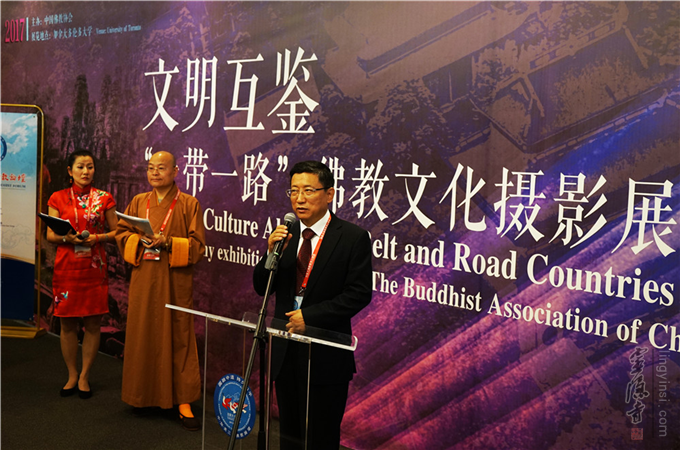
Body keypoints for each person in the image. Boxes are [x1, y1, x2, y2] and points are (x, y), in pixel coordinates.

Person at [253, 161, 372, 449]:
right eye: (293, 191)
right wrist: (270, 254)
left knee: (322, 436)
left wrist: (311, 316)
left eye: (308, 190)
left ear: (329, 194)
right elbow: (261, 287)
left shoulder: (352, 237)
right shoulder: (286, 234)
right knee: (289, 434)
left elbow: (358, 294)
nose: (299, 199)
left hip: (325, 353)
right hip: (285, 349)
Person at [115, 151, 205, 431]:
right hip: (144, 277)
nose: (154, 173)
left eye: (161, 168)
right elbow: (121, 233)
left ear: (176, 171)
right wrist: (138, 240)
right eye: (150, 168)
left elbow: (197, 247)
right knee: (142, 333)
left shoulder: (189, 203)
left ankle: (183, 400)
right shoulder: (138, 201)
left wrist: (168, 243)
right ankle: (142, 395)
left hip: (174, 281)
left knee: (178, 335)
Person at [46, 150, 118, 400]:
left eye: (90, 166)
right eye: (80, 167)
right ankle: (72, 374)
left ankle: (85, 375)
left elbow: (117, 232)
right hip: (66, 268)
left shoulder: (104, 198)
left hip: (94, 269)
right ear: (70, 171)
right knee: (67, 324)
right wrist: (68, 238)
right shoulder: (57, 198)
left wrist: (97, 238)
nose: (85, 171)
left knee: (93, 324)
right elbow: (50, 235)